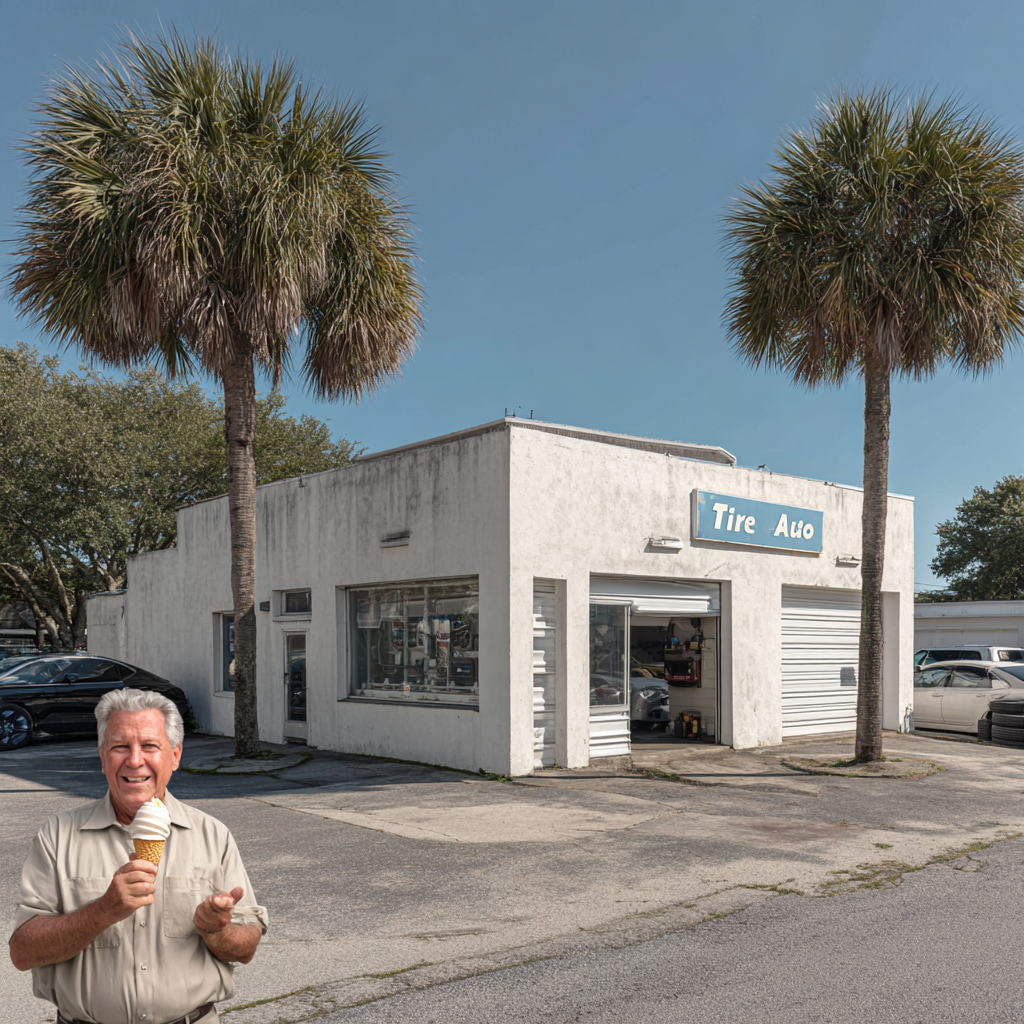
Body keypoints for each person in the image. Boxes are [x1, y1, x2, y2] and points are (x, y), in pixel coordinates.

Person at [9, 689, 269, 1024]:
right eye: (119, 746)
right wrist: (102, 911)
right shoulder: (57, 834)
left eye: (150, 746)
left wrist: (217, 931)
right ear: (102, 757)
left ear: (174, 755)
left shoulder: (212, 834)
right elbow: (23, 951)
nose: (134, 760)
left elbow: (246, 947)